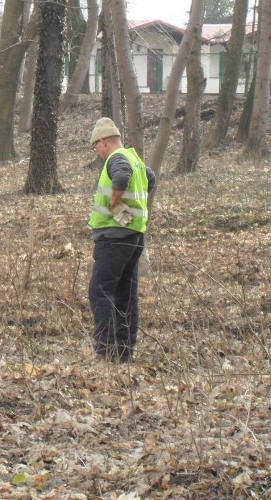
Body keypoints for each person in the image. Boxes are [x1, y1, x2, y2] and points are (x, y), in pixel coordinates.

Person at [87, 117, 156, 363]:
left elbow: (121, 176)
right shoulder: (135, 159)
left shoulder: (117, 159)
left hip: (114, 236)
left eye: (96, 145)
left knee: (101, 291)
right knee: (126, 293)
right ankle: (125, 352)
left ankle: (106, 350)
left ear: (105, 142)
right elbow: (151, 178)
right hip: (134, 235)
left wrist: (115, 202)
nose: (96, 151)